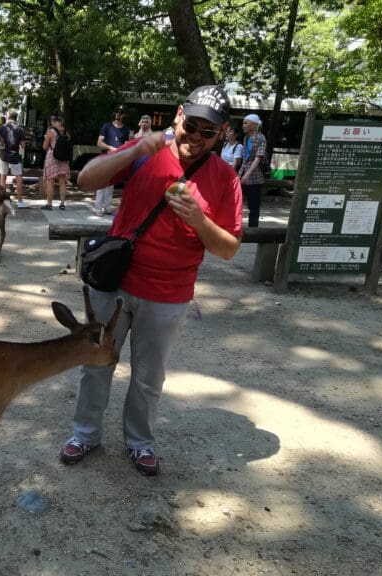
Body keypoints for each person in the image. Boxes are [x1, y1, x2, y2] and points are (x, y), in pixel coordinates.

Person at [59, 85, 243, 476]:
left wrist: (198, 219)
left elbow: (228, 247)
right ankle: (85, 434)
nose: (195, 137)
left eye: (206, 132)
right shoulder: (148, 152)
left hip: (169, 294)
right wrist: (136, 149)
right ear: (178, 115)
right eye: (190, 125)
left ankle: (139, 441)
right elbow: (87, 180)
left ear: (221, 133)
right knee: (95, 364)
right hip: (115, 283)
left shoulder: (225, 179)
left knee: (148, 376)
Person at [94, 105, 131, 216]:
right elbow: (99, 143)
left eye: (121, 112)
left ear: (124, 115)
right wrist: (110, 148)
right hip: (106, 158)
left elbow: (127, 145)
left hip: (117, 159)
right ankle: (98, 207)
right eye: (116, 112)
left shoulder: (126, 129)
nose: (118, 114)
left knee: (111, 184)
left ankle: (107, 206)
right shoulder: (107, 126)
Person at [237, 113, 267, 227]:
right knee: (237, 201)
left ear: (254, 125)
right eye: (243, 123)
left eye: (246, 123)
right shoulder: (246, 138)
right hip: (242, 174)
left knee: (253, 205)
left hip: (254, 176)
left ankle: (253, 229)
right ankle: (236, 226)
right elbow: (245, 158)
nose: (243, 125)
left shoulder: (261, 138)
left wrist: (247, 174)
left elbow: (259, 157)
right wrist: (241, 174)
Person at [0, 109, 27, 208]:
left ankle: (2, 201)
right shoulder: (20, 129)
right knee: (19, 178)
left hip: (4, 155)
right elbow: (23, 145)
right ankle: (20, 202)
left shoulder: (2, 128)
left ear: (8, 116)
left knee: (3, 177)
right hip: (15, 156)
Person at [41, 113, 71, 210]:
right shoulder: (66, 131)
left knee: (50, 181)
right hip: (64, 158)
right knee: (62, 181)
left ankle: (49, 204)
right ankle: (62, 204)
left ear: (53, 121)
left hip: (52, 157)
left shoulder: (50, 131)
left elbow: (45, 147)